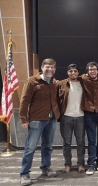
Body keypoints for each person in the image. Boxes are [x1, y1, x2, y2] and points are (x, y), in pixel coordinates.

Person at [19, 58, 60, 186]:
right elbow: (24, 101)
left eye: (52, 67)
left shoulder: (54, 82)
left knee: (47, 146)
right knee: (30, 148)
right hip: (36, 120)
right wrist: (24, 119)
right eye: (47, 67)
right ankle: (24, 174)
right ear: (42, 67)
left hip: (51, 120)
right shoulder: (32, 81)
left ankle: (46, 167)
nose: (50, 69)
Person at [80, 62, 98, 175]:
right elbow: (71, 78)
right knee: (92, 140)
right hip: (89, 113)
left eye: (94, 69)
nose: (92, 71)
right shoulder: (83, 79)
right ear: (87, 71)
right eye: (90, 69)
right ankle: (91, 164)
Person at [57, 64, 85, 174]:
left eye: (75, 71)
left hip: (81, 117)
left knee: (81, 142)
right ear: (67, 72)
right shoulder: (61, 84)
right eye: (70, 71)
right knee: (67, 143)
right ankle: (67, 164)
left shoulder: (83, 82)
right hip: (66, 117)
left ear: (78, 72)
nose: (73, 73)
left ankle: (80, 164)